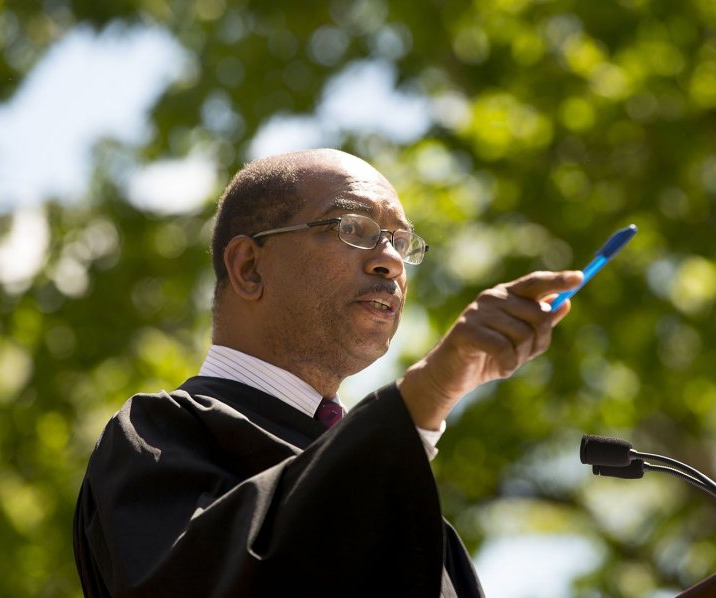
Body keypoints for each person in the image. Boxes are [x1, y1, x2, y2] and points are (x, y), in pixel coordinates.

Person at [73, 149, 582, 597]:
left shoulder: (412, 506)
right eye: (352, 228)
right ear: (249, 267)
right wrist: (427, 393)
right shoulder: (159, 439)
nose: (391, 262)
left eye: (400, 243)